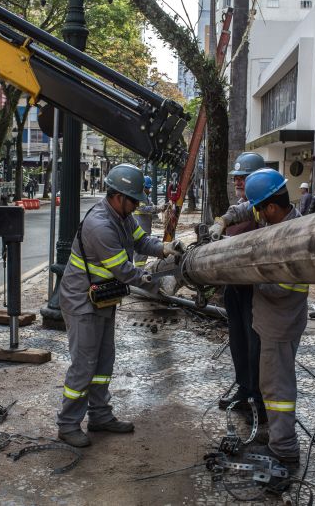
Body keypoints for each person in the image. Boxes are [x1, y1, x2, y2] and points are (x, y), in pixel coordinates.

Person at [57, 163, 185, 448]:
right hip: (82, 302)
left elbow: (141, 242)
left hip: (102, 299)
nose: (138, 204)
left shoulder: (123, 216)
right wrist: (157, 284)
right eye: (135, 199)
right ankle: (67, 424)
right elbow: (126, 271)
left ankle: (100, 416)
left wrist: (165, 247)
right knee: (84, 365)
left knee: (103, 362)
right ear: (118, 196)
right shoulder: (99, 225)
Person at [211, 168, 309, 469]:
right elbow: (244, 208)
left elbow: (283, 287)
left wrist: (249, 274)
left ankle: (284, 448)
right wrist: (223, 221)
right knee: (271, 383)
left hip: (280, 320)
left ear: (271, 207)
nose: (258, 216)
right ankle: (281, 440)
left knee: (277, 388)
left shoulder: (292, 237)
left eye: (260, 210)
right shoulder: (281, 218)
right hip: (274, 319)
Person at [207, 151, 266, 420]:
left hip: (254, 287)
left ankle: (260, 397)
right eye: (237, 178)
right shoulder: (240, 207)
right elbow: (234, 213)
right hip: (235, 286)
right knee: (238, 341)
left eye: (244, 177)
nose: (239, 182)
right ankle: (244, 390)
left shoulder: (263, 207)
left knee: (255, 344)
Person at [133, 175, 168, 268]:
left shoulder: (146, 198)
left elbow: (152, 207)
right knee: (140, 254)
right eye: (148, 188)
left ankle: (140, 269)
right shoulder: (139, 197)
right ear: (143, 187)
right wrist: (159, 208)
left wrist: (162, 207)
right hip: (140, 230)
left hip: (144, 230)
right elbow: (143, 209)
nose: (149, 190)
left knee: (143, 253)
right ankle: (139, 271)